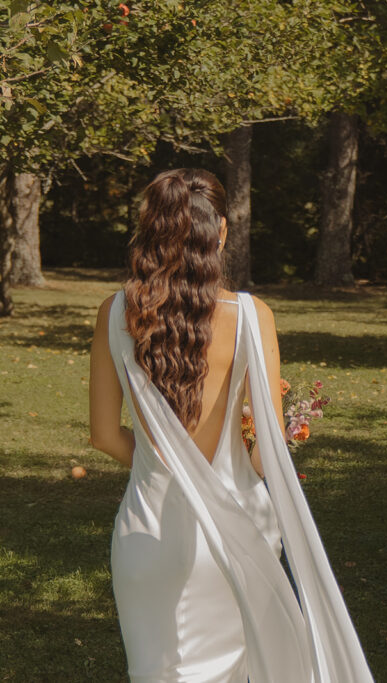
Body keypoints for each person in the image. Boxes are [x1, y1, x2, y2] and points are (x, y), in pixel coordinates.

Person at [89, 168, 372, 682]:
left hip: (146, 536)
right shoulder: (249, 315)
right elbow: (265, 454)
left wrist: (166, 467)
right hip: (240, 532)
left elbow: (104, 435)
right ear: (220, 230)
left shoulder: (113, 313)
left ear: (149, 230)